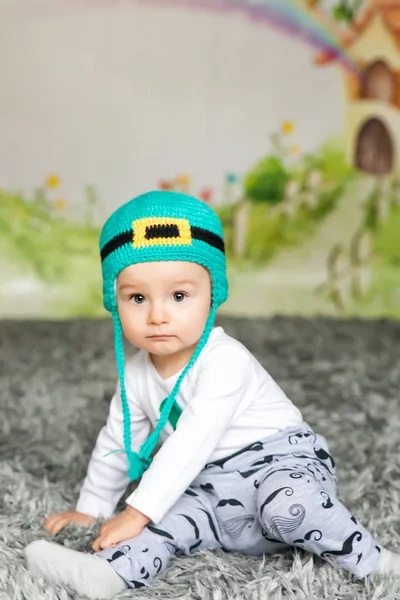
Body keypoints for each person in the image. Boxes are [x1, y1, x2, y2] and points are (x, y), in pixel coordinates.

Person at [24, 191, 400, 599]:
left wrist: (135, 511)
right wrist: (92, 508)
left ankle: (379, 563)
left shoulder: (225, 360)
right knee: (163, 526)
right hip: (210, 490)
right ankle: (106, 574)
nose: (157, 314)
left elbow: (192, 441)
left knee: (286, 504)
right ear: (114, 302)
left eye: (179, 296)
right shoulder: (134, 371)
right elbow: (118, 437)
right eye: (137, 298)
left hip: (278, 464)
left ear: (213, 293)